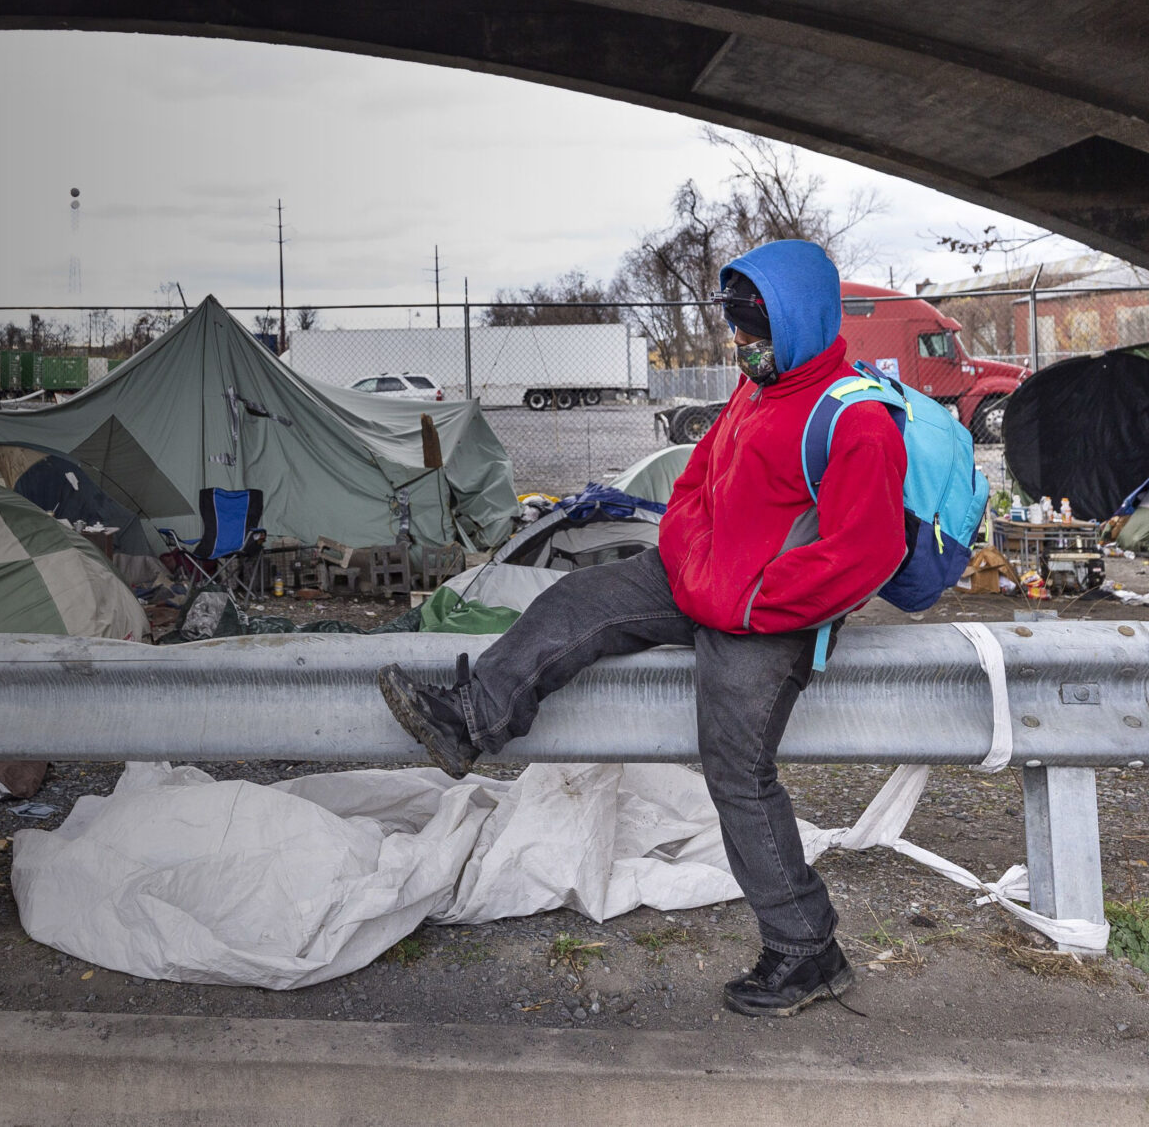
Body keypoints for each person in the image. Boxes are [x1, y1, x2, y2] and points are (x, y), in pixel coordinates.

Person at [378, 239, 907, 1018]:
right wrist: (691, 559)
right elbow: (695, 482)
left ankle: (806, 950)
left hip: (766, 616)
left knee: (735, 771)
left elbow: (867, 554)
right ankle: (471, 717)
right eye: (734, 328)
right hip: (706, 582)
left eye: (753, 330)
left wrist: (751, 599)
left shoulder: (856, 420)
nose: (739, 344)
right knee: (578, 600)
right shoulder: (754, 390)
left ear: (799, 319)